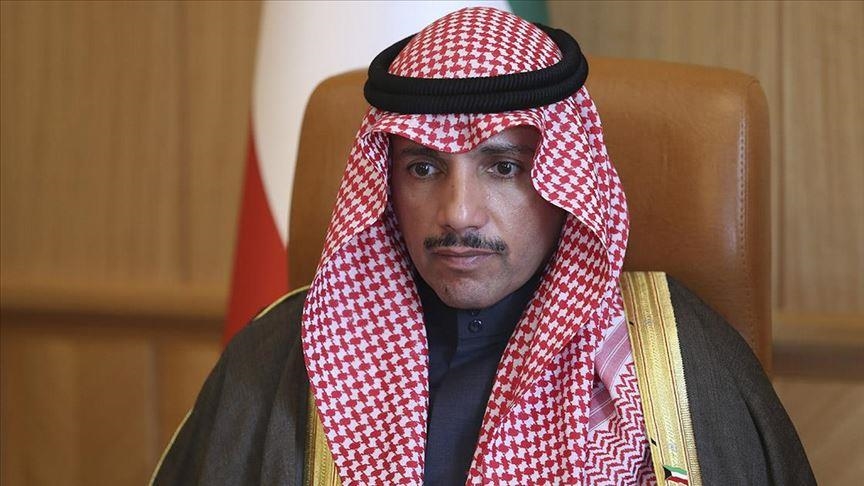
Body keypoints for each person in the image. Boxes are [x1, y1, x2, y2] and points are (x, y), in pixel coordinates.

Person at [152, 7, 814, 485]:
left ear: (565, 180)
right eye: (423, 167)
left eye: (503, 167)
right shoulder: (281, 358)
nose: (458, 213)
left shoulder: (671, 359)